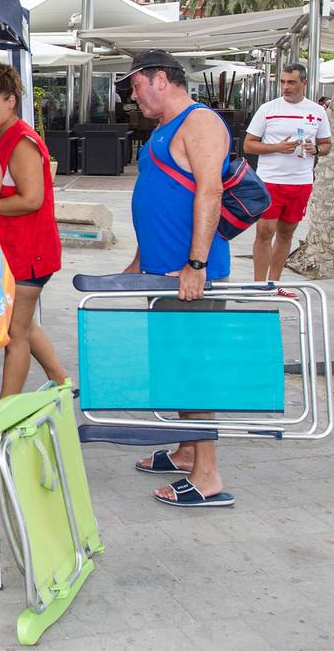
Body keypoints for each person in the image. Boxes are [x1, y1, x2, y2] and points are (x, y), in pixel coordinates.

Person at [121, 50, 235, 509]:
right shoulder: (165, 130)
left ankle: (207, 475)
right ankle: (188, 450)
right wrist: (138, 259)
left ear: (161, 80)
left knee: (191, 365)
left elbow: (211, 189)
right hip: (162, 270)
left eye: (136, 86)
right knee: (174, 362)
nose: (133, 96)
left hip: (188, 274)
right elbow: (161, 198)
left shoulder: (200, 121)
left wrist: (197, 264)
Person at [0, 62, 67, 397]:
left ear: (10, 101)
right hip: (20, 251)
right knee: (22, 324)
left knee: (14, 334)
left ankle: (6, 412)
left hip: (29, 253)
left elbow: (32, 199)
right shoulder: (5, 135)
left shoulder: (20, 141)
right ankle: (62, 383)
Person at [244, 63, 332, 294]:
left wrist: (316, 150)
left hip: (301, 182)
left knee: (286, 233)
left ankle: (274, 283)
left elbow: (327, 145)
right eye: (282, 82)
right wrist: (277, 147)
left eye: (291, 82)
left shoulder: (317, 111)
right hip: (270, 180)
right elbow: (248, 145)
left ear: (304, 83)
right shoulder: (268, 109)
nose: (285, 87)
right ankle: (258, 285)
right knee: (265, 231)